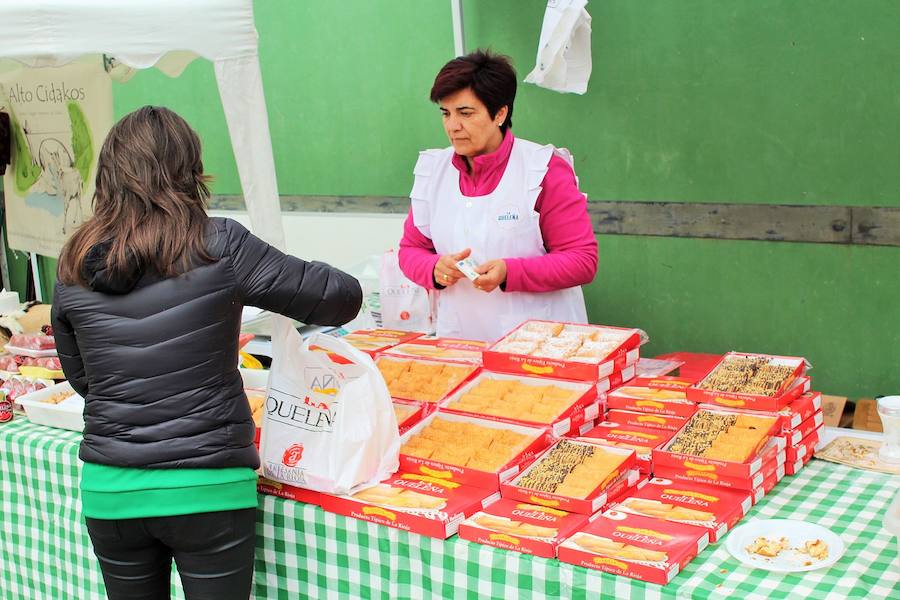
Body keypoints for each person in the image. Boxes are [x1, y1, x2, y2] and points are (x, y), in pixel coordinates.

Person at [52, 106, 362, 600]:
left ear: (107, 176)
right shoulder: (220, 243)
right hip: (208, 491)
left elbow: (84, 378)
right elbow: (342, 297)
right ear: (190, 171)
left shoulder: (74, 260)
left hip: (112, 493)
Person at [398, 49, 598, 342]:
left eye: (465, 113)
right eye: (446, 113)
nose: (453, 126)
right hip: (461, 341)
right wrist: (434, 268)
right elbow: (410, 250)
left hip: (542, 344)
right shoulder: (434, 171)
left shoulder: (542, 169)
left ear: (500, 113)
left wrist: (510, 271)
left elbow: (582, 260)